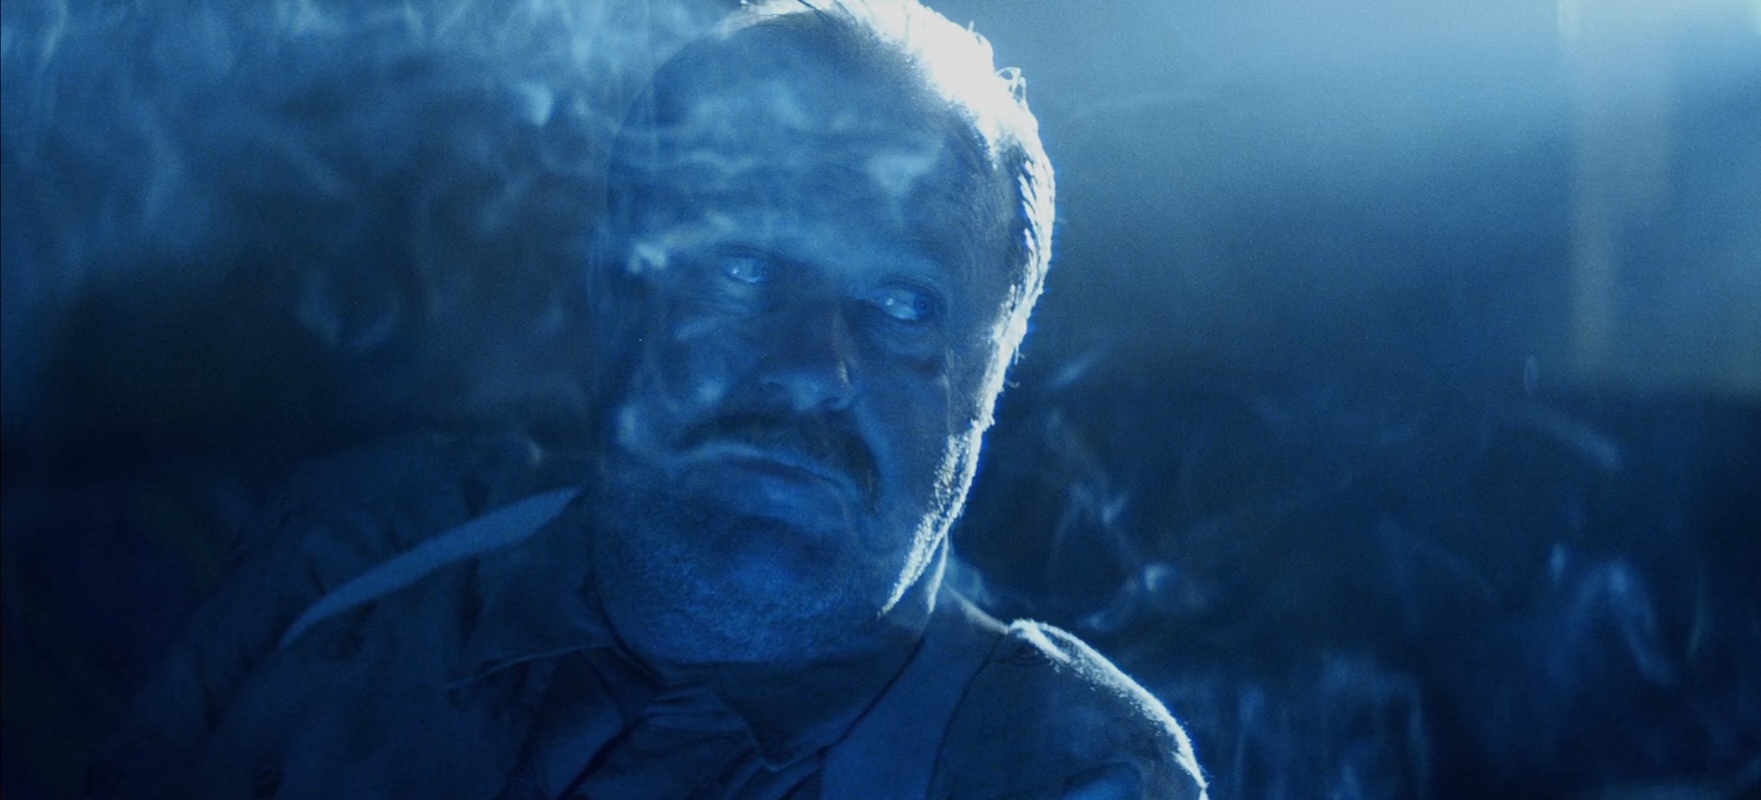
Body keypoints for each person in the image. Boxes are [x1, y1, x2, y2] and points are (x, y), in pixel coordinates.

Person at [91, 2, 1207, 798]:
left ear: (991, 376)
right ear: (615, 294)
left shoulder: (1062, 767)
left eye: (904, 305)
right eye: (747, 267)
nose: (814, 365)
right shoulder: (353, 554)